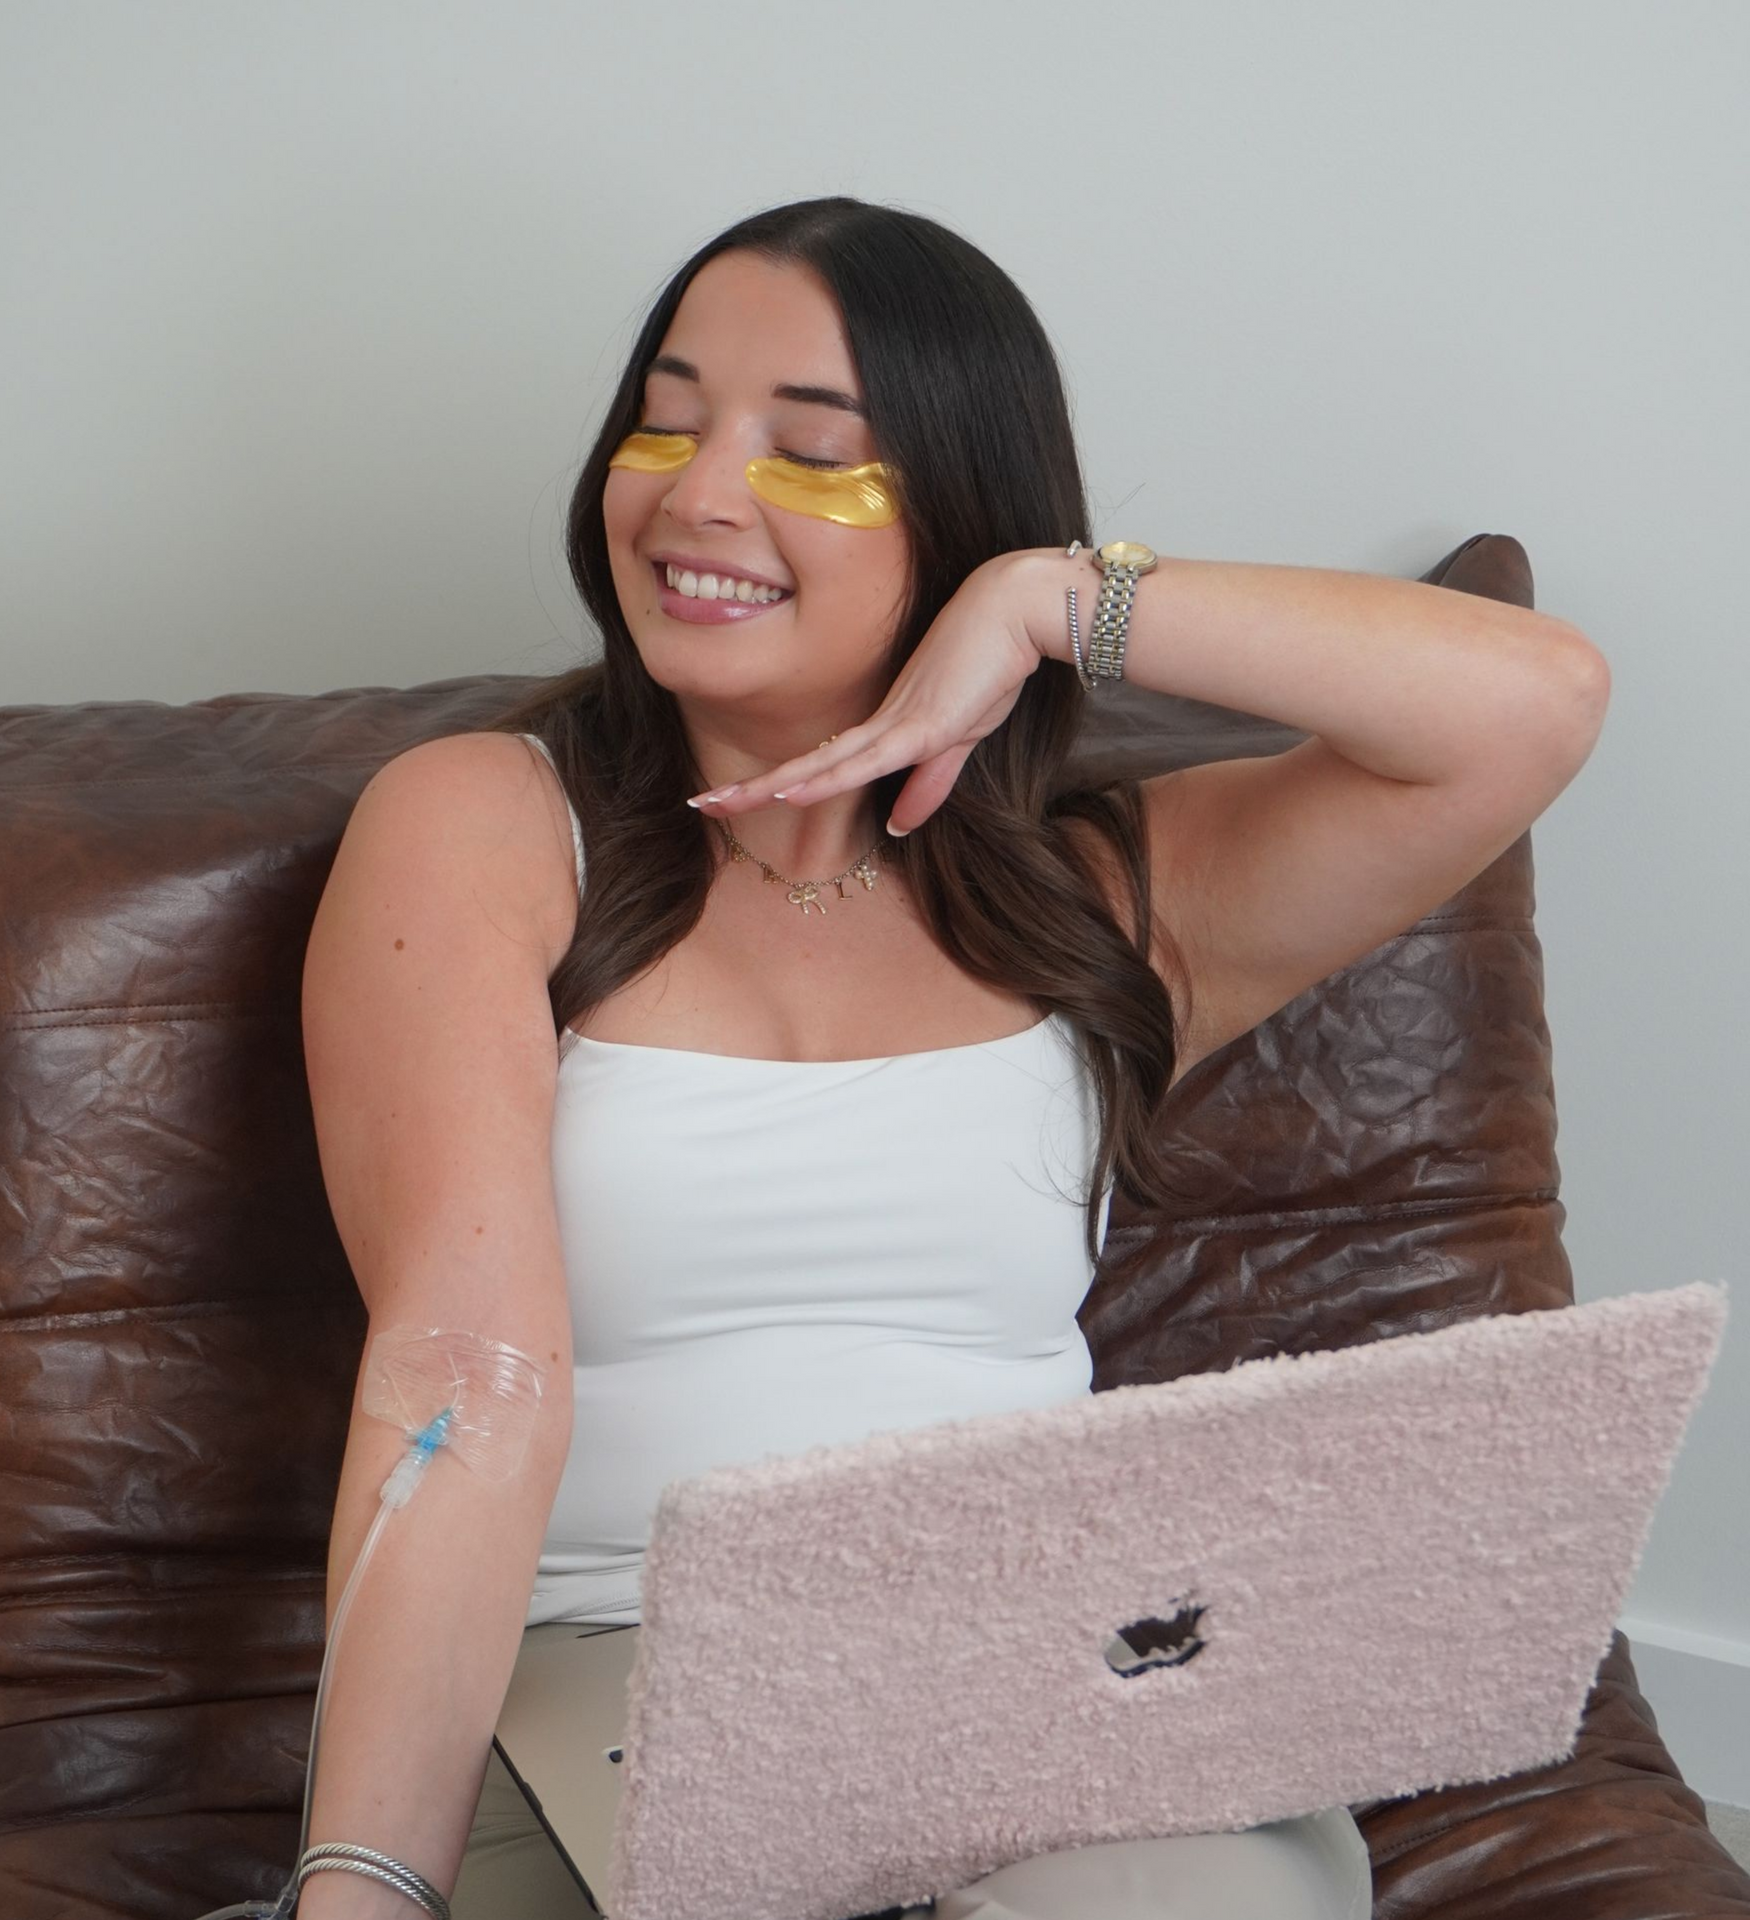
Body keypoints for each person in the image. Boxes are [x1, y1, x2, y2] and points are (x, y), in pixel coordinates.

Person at [295, 195, 1610, 1919]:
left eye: (812, 453)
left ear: (958, 510)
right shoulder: (479, 824)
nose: (696, 496)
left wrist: (1054, 602)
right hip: (626, 1674)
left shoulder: (1100, 897)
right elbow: (459, 1381)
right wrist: (363, 1887)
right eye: (666, 420)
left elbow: (1534, 706)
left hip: (1048, 1690)